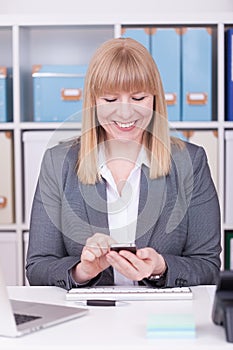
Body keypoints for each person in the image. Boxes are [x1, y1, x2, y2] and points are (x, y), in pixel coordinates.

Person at [26, 37, 221, 290]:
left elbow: (208, 267)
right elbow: (38, 267)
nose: (126, 113)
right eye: (110, 100)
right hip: (88, 320)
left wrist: (160, 267)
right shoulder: (57, 162)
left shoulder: (191, 162)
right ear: (93, 102)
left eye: (139, 98)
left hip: (160, 319)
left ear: (155, 99)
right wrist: (82, 271)